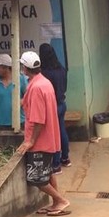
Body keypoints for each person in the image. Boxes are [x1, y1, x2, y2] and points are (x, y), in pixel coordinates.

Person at [17, 51, 70, 217]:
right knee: (48, 172)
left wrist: (30, 141)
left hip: (40, 140)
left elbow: (39, 119)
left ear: (25, 68)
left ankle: (60, 200)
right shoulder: (43, 82)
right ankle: (56, 202)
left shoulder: (37, 87)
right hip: (47, 138)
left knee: (37, 178)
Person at [39, 43, 71, 171]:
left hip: (52, 107)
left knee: (53, 134)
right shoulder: (62, 69)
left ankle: (56, 163)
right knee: (61, 131)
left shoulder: (45, 73)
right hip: (62, 104)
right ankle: (65, 157)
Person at [0, 53, 27, 131]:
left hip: (20, 122)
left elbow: (29, 96)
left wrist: (22, 101)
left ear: (6, 68)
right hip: (1, 124)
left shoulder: (21, 79)